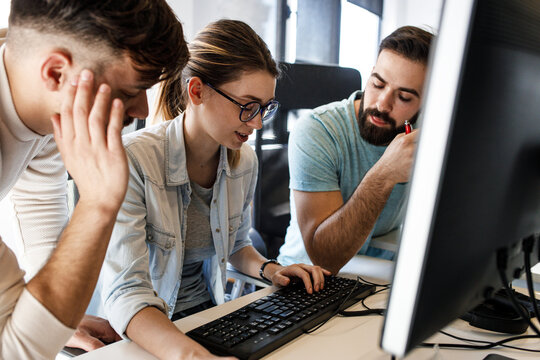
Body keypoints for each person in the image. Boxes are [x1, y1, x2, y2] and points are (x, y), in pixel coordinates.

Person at [96, 19, 330, 360]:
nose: (258, 122)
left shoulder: (243, 161)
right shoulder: (134, 161)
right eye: (248, 106)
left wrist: (272, 270)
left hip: (210, 319)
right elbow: (127, 293)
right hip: (149, 333)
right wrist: (192, 355)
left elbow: (237, 246)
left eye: (266, 107)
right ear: (196, 91)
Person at [0, 0, 188, 356]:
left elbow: (39, 213)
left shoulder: (47, 102)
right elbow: (13, 351)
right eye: (129, 91)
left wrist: (56, 315)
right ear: (56, 73)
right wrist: (99, 203)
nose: (142, 111)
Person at [277, 26, 434, 274]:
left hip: (380, 276)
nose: (382, 104)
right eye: (378, 84)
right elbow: (325, 258)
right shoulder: (317, 131)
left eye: (404, 97)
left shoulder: (426, 136)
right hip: (309, 280)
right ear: (370, 75)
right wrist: (385, 174)